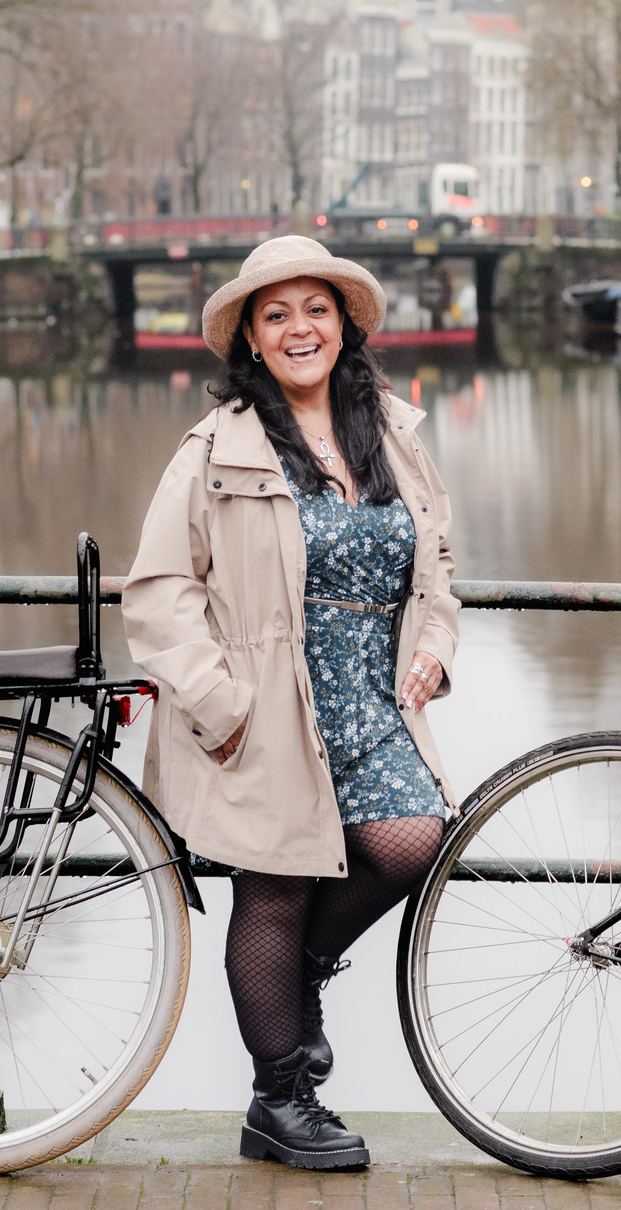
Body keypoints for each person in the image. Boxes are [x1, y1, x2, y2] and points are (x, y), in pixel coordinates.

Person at [123, 234, 459, 1171]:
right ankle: (281, 1102)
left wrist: (434, 647)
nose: (299, 328)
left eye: (316, 309)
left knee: (412, 841)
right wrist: (220, 704)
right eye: (276, 315)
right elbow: (159, 590)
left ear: (344, 324)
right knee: (273, 891)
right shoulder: (215, 447)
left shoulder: (392, 431)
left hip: (372, 701)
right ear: (253, 339)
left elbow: (438, 562)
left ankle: (301, 973)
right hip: (263, 706)